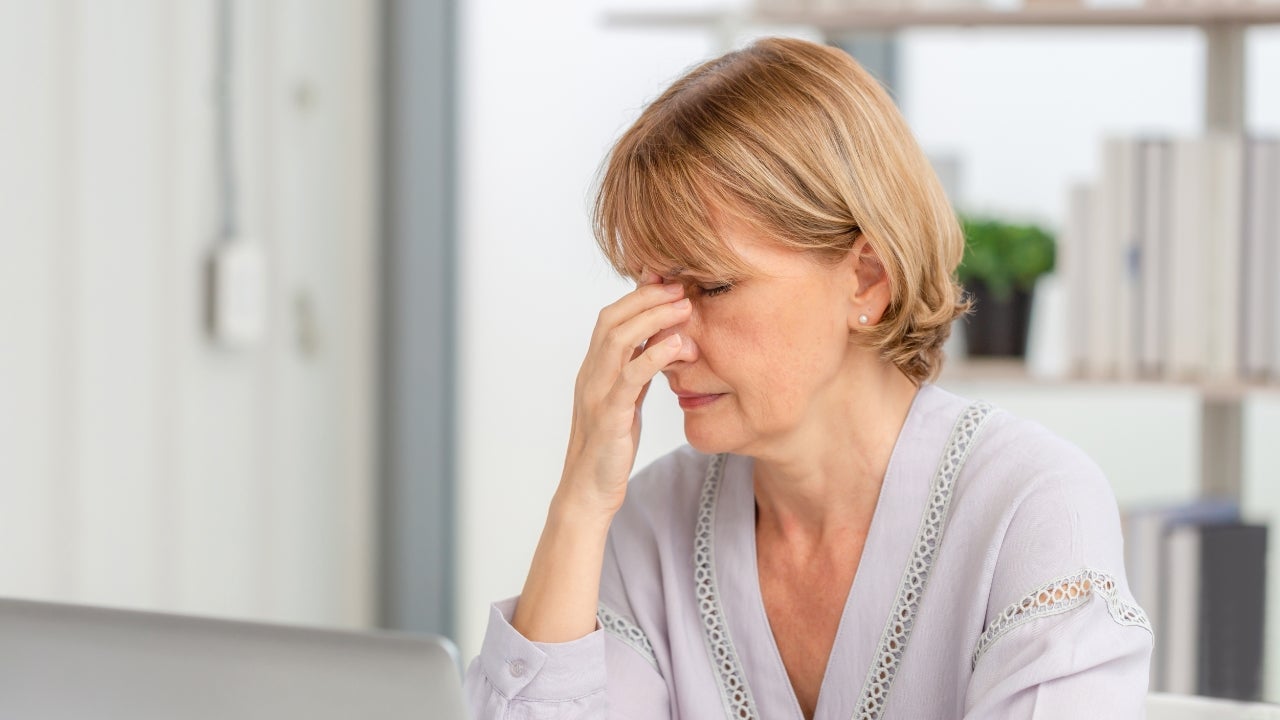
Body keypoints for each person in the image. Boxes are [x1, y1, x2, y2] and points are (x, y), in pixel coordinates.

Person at [464, 36, 1152, 720]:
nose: (665, 345)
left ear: (868, 278)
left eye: (711, 287)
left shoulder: (1031, 508)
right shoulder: (650, 523)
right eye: (652, 291)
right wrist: (581, 497)